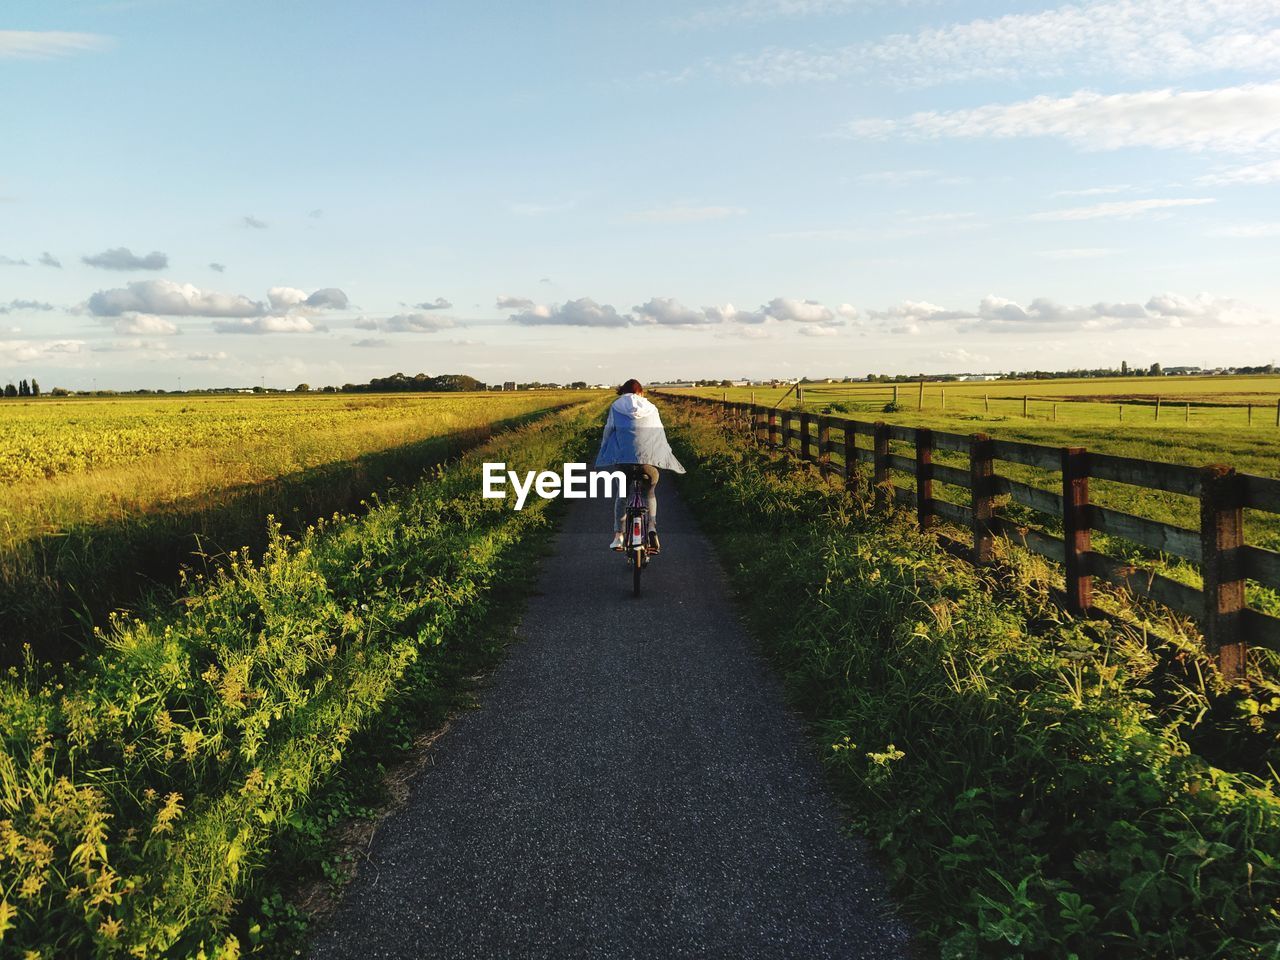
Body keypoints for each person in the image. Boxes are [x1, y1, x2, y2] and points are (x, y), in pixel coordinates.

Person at [595, 379, 685, 553]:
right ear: (641, 392)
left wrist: (604, 448)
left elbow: (608, 431)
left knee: (621, 495)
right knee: (649, 492)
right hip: (647, 464)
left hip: (624, 463)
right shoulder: (652, 408)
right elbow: (660, 435)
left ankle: (618, 536)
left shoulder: (616, 406)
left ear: (623, 392)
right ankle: (651, 526)